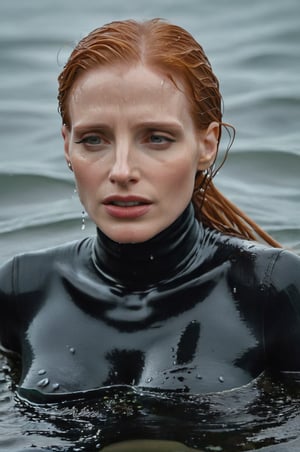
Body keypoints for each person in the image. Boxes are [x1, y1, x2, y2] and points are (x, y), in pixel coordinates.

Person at [0, 18, 299, 405]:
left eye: (157, 138)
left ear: (206, 145)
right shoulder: (23, 288)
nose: (122, 170)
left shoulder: (272, 290)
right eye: (93, 139)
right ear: (66, 146)